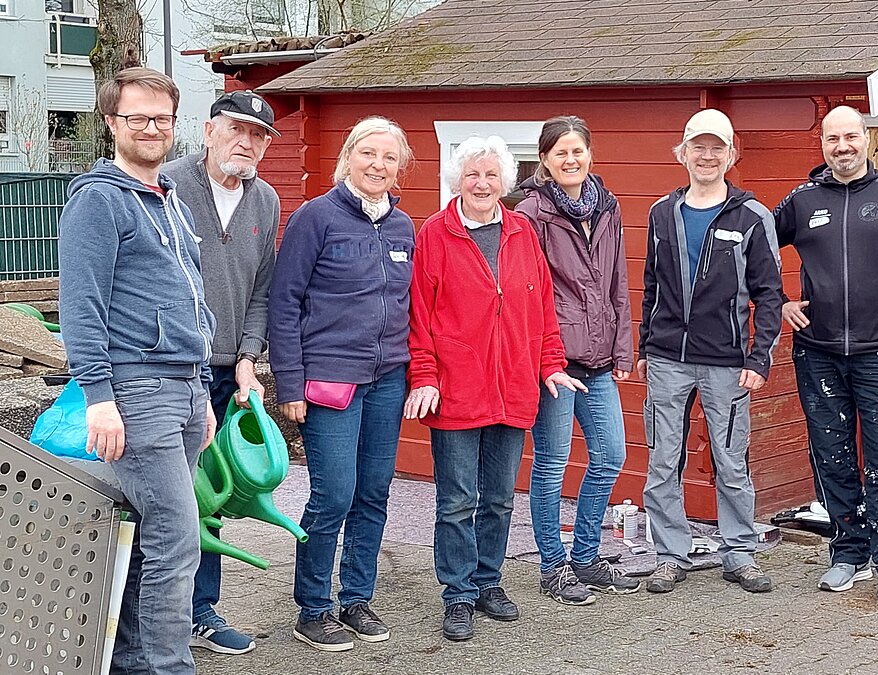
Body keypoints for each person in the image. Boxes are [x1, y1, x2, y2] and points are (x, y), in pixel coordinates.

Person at [58, 66, 216, 675]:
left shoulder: (170, 202)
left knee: (154, 538)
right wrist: (99, 395)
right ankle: (168, 667)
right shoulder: (99, 201)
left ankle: (130, 660)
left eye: (162, 118)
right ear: (111, 124)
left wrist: (201, 391)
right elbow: (82, 304)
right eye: (137, 118)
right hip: (136, 391)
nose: (151, 128)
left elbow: (193, 304)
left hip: (181, 389)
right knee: (177, 540)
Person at [403, 135, 585, 641]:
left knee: (501, 498)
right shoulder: (434, 235)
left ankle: (489, 582)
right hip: (457, 390)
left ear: (504, 182)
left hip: (513, 387)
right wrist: (424, 376)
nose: (481, 184)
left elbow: (543, 310)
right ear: (457, 181)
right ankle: (457, 594)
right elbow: (418, 317)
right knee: (457, 500)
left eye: (490, 175)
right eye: (471, 175)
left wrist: (550, 365)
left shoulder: (522, 231)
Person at [774, 105, 878, 614]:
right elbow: (755, 257)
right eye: (832, 138)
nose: (842, 146)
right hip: (818, 354)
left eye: (851, 136)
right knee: (832, 458)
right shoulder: (802, 201)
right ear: (822, 144)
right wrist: (780, 303)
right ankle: (849, 552)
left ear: (867, 139)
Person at [268, 117, 416, 651]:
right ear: (349, 156)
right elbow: (284, 304)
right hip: (329, 381)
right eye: (368, 154)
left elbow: (407, 307)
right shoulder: (316, 217)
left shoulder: (403, 227)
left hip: (387, 379)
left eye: (389, 158)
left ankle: (357, 598)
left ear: (400, 168)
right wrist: (289, 383)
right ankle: (313, 608)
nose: (378, 166)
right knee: (333, 496)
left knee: (374, 493)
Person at [638, 109, 783, 595]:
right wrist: (644, 345)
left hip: (727, 363)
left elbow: (770, 296)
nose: (706, 155)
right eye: (697, 146)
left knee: (731, 460)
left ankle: (739, 553)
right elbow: (650, 285)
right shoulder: (662, 212)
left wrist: (759, 358)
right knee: (662, 460)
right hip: (666, 360)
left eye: (716, 147)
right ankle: (668, 554)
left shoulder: (751, 216)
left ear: (730, 154)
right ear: (683, 153)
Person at [163, 89, 280, 656]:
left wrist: (249, 359)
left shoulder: (266, 201)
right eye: (236, 128)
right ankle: (147, 615)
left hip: (230, 371)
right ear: (208, 130)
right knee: (167, 496)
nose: (247, 142)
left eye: (258, 135)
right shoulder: (167, 186)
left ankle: (200, 612)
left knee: (214, 495)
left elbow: (262, 289)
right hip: (169, 371)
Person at [514, 115, 640, 606]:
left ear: (590, 154)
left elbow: (615, 284)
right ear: (545, 160)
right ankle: (553, 565)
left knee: (610, 456)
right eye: (560, 152)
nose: (571, 159)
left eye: (578, 150)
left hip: (599, 358)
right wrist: (545, 360)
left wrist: (623, 348)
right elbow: (528, 293)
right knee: (551, 464)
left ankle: (586, 556)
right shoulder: (531, 214)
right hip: (555, 363)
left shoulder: (607, 207)